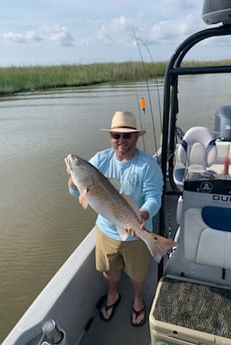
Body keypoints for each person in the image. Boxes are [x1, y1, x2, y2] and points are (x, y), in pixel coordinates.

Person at [67, 110, 163, 327]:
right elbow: (77, 194)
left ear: (136, 137)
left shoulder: (147, 165)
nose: (121, 140)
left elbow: (154, 196)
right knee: (109, 271)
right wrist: (73, 182)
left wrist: (143, 215)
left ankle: (138, 300)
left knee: (137, 275)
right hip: (105, 231)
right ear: (110, 137)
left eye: (126, 135)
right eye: (116, 135)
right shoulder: (99, 160)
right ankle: (113, 295)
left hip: (135, 232)